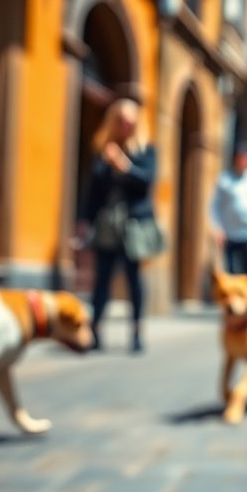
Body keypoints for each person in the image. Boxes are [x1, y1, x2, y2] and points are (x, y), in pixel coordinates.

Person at [80, 98, 160, 353]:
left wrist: (123, 166)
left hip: (134, 222)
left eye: (130, 121)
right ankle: (95, 330)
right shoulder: (103, 147)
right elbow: (93, 190)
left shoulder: (146, 149)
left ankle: (136, 332)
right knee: (102, 278)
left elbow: (146, 182)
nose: (126, 126)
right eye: (121, 121)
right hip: (107, 222)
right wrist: (85, 219)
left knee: (134, 278)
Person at [210, 141, 247, 276]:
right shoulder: (225, 179)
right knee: (231, 272)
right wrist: (217, 228)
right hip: (230, 234)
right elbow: (215, 206)